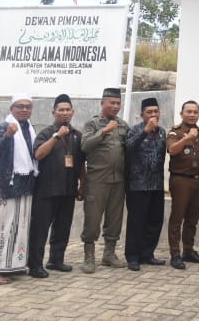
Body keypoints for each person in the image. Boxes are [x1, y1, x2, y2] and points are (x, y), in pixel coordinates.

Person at [27, 94, 84, 278]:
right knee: (40, 229)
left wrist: (82, 184)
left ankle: (56, 260)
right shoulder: (45, 133)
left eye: (68, 110)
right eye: (61, 110)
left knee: (63, 227)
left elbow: (81, 163)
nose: (65, 113)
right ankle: (35, 265)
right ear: (53, 112)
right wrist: (56, 136)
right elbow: (38, 154)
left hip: (68, 190)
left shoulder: (77, 136)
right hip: (46, 190)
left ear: (72, 112)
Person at [0, 94, 39, 284]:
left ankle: (13, 266)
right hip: (7, 186)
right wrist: (8, 135)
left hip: (25, 185)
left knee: (20, 227)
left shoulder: (29, 128)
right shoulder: (4, 127)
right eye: (20, 106)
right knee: (3, 227)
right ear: (11, 109)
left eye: (28, 107)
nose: (24, 110)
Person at [81, 87, 130, 273]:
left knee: (115, 219)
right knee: (92, 219)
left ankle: (109, 254)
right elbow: (85, 146)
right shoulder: (92, 124)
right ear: (102, 103)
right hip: (97, 180)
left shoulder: (123, 125)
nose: (116, 106)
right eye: (112, 103)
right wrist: (104, 131)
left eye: (118, 103)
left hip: (118, 180)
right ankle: (89, 257)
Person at [124, 97, 167, 271]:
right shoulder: (134, 130)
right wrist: (145, 131)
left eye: (156, 111)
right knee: (136, 223)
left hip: (157, 184)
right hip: (138, 185)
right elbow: (128, 147)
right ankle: (133, 256)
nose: (153, 114)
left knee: (154, 221)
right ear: (142, 114)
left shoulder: (162, 132)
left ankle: (147, 254)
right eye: (149, 112)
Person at [166, 101, 199, 270]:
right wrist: (187, 138)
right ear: (181, 113)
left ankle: (188, 250)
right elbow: (172, 150)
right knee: (177, 218)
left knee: (193, 218)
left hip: (197, 180)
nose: (192, 115)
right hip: (181, 180)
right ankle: (175, 254)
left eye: (195, 112)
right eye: (189, 111)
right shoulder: (175, 132)